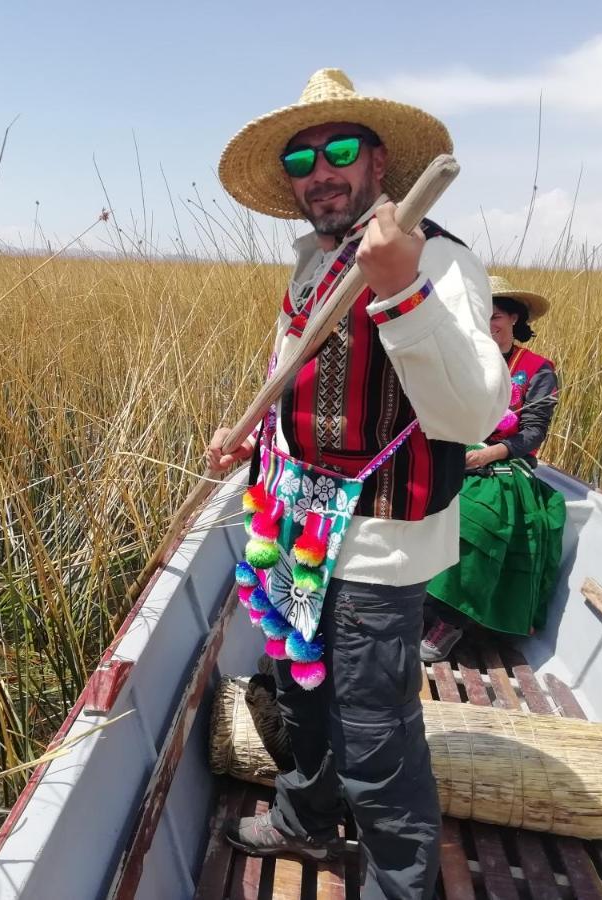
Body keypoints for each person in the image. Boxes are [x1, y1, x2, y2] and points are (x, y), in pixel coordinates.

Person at [206, 68, 509, 899]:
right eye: (302, 160)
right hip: (294, 526)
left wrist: (401, 288)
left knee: (377, 740)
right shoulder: (309, 268)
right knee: (300, 697)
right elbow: (293, 385)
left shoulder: (437, 259)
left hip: (379, 543)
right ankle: (305, 819)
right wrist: (246, 437)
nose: (321, 171)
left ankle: (400, 887)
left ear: (380, 164)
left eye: (340, 149)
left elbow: (472, 416)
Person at [420, 275, 566, 662]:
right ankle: (414, 605)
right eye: (478, 313)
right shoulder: (461, 359)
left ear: (515, 317)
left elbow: (533, 434)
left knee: (473, 512)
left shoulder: (537, 369)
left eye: (496, 314)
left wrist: (489, 453)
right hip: (453, 452)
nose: (487, 322)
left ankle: (448, 623)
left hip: (506, 463)